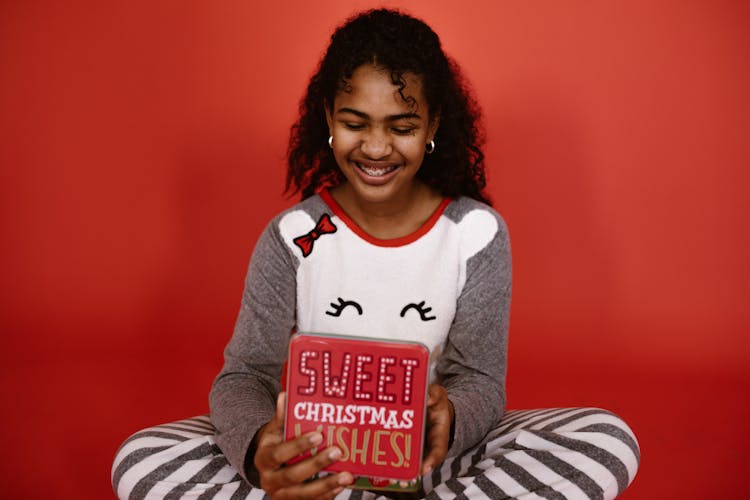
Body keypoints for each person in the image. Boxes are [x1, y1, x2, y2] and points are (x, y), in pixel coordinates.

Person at [112, 8, 640, 500]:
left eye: (402, 128)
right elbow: (245, 374)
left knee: (604, 438)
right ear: (329, 117)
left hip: (433, 463)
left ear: (432, 126)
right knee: (143, 457)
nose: (376, 148)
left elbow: (479, 379)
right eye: (356, 123)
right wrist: (260, 454)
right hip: (315, 465)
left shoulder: (473, 233)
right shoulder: (295, 235)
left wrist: (449, 421)